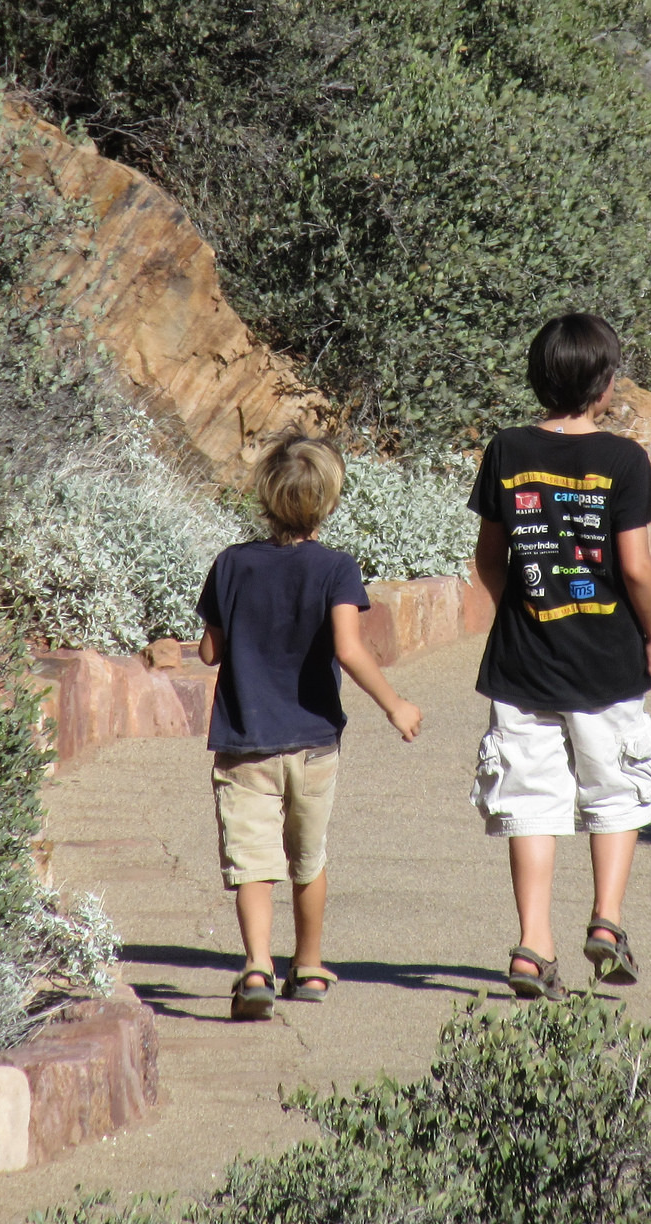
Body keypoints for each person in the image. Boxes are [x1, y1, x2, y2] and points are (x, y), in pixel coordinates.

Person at [467, 313, 651, 1000]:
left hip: (523, 662)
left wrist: (521, 610)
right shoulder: (624, 460)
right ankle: (607, 921)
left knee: (530, 799)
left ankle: (533, 946)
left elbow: (490, 558)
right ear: (607, 385)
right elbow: (636, 567)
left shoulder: (506, 449)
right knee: (615, 788)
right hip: (608, 663)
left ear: (537, 378)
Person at [196, 433, 423, 1021]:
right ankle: (310, 964)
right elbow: (348, 648)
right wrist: (395, 704)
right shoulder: (336, 569)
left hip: (245, 741)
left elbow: (209, 651)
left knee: (252, 861)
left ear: (265, 497)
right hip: (314, 741)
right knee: (308, 857)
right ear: (329, 501)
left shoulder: (231, 563)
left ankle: (256, 966)